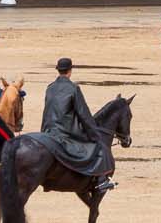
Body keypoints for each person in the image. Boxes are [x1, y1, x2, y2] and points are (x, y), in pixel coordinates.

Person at [38, 58, 118, 193]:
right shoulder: (73, 88)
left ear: (58, 70)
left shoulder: (50, 88)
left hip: (47, 132)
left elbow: (47, 111)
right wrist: (95, 135)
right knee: (98, 148)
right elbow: (84, 115)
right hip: (65, 133)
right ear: (70, 71)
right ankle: (101, 181)